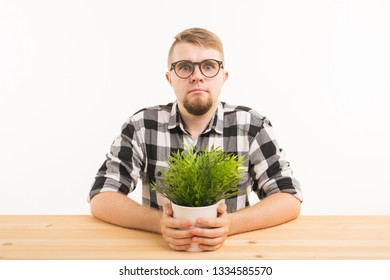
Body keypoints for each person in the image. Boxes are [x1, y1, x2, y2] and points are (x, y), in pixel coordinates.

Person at [89, 27, 303, 251]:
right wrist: (160, 223)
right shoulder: (142, 125)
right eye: (184, 67)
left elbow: (288, 198)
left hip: (231, 257)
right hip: (162, 255)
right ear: (169, 78)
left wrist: (230, 224)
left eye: (209, 66)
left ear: (224, 76)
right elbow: (102, 197)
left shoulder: (252, 126)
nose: (197, 76)